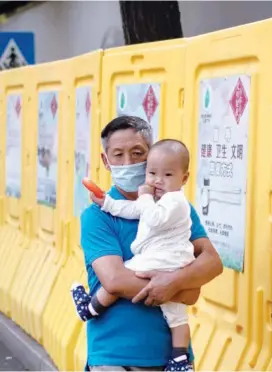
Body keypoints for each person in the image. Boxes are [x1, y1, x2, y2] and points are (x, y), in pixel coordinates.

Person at [77, 116, 223, 371]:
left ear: (151, 155)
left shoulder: (177, 208)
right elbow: (115, 280)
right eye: (118, 155)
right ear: (106, 161)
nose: (128, 162)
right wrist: (185, 287)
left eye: (137, 153)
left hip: (168, 359)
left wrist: (176, 282)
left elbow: (212, 262)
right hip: (113, 358)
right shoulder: (97, 216)